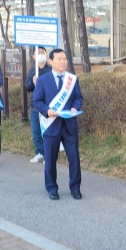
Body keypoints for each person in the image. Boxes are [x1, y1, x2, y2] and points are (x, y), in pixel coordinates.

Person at [32, 48, 83, 200]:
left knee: (74, 159)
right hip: (51, 125)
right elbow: (37, 101)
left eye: (64, 59)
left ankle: (75, 188)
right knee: (50, 159)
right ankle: (52, 188)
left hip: (69, 126)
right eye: (59, 59)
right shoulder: (42, 80)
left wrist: (75, 107)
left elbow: (78, 98)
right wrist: (47, 110)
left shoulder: (72, 79)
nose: (63, 62)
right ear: (51, 61)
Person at [25, 46, 52, 163]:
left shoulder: (51, 70)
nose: (41, 55)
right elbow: (27, 87)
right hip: (35, 106)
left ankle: (49, 155)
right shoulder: (32, 71)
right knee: (36, 132)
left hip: (47, 106)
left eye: (43, 53)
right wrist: (33, 81)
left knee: (48, 132)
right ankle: (39, 153)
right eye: (38, 53)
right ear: (34, 56)